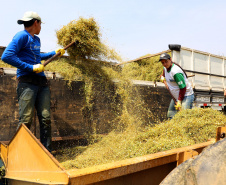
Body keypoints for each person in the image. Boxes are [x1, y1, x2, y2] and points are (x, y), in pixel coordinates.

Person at [1, 11, 65, 152]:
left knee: (46, 118)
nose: (41, 27)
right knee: (26, 120)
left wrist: (55, 52)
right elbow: (6, 56)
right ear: (36, 23)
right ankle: (18, 154)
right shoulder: (21, 36)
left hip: (42, 82)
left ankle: (47, 153)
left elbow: (38, 56)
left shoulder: (36, 40)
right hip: (27, 81)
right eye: (40, 24)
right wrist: (30, 68)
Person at [159, 53, 194, 119]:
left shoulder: (176, 72)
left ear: (170, 60)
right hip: (176, 96)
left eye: (166, 61)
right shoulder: (165, 67)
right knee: (171, 114)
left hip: (186, 95)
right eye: (163, 62)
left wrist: (179, 101)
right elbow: (164, 73)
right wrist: (162, 77)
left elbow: (183, 87)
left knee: (184, 116)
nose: (165, 64)